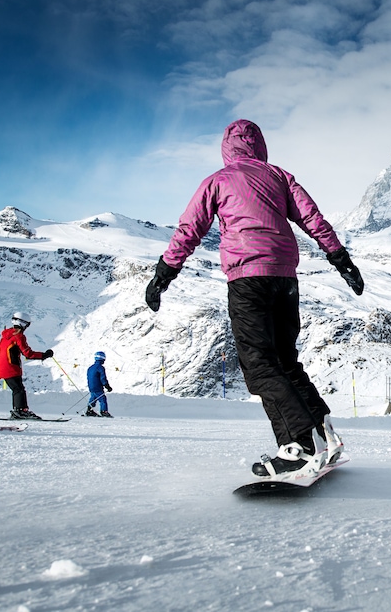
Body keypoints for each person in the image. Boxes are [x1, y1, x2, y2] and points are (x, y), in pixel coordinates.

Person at [146, 119, 363, 482]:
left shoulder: (217, 181)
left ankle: (298, 448)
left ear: (227, 148)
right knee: (286, 362)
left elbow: (190, 230)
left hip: (248, 279)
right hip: (285, 279)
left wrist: (163, 274)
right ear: (260, 146)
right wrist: (341, 258)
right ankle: (324, 436)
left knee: (260, 365)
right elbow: (312, 218)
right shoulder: (280, 177)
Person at [0, 312, 53, 419]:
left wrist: (5, 361)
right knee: (19, 389)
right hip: (12, 368)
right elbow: (28, 354)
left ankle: (17, 410)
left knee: (16, 389)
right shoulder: (19, 336)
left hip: (3, 368)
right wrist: (44, 355)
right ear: (24, 324)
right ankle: (21, 411)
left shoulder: (5, 336)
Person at [86, 351, 113, 417]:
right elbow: (103, 378)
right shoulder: (100, 368)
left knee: (93, 398)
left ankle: (89, 410)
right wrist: (107, 386)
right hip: (98, 386)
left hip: (91, 386)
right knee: (102, 399)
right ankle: (104, 411)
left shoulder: (90, 367)